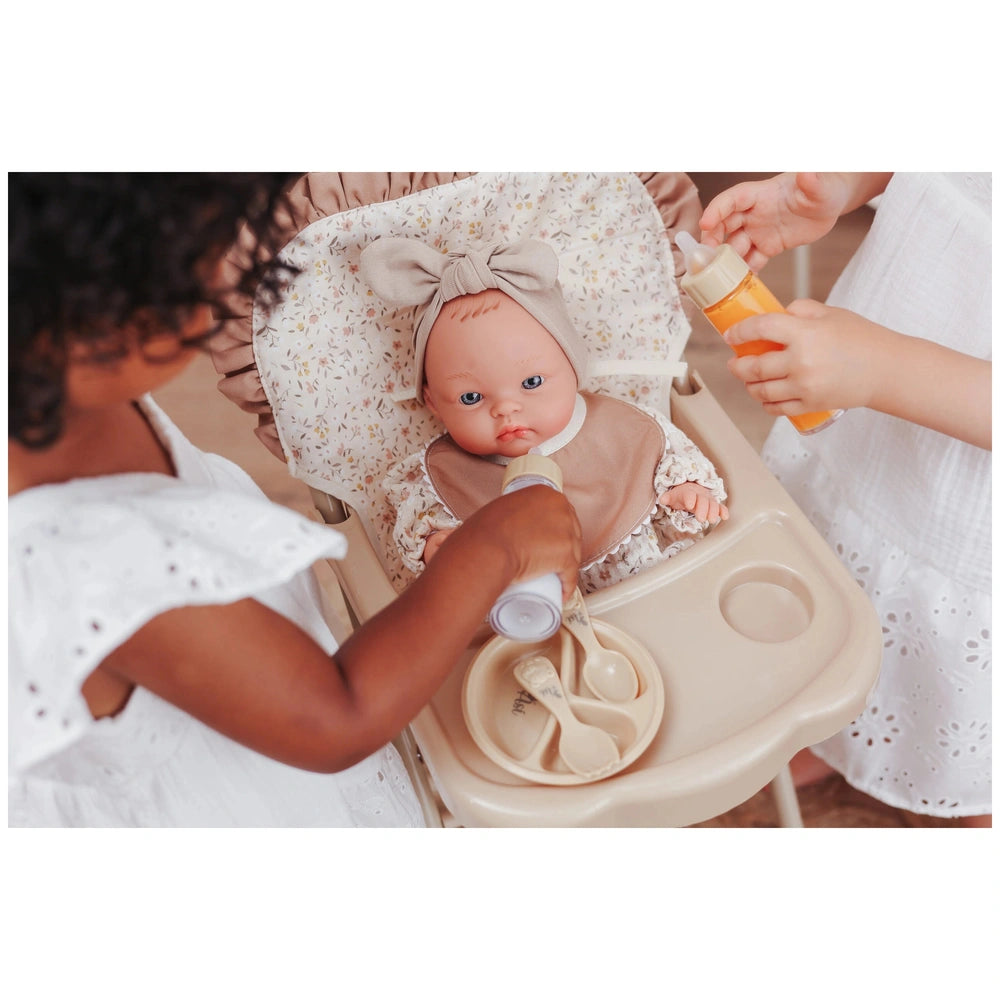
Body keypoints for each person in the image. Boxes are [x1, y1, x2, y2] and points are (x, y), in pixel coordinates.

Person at [8, 174, 582, 827]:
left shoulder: (55, 391)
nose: (205, 314)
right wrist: (496, 544)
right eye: (172, 298)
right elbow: (335, 719)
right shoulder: (78, 556)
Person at [699, 172, 991, 826]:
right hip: (894, 335)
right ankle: (847, 734)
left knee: (956, 662)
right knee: (849, 577)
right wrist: (849, 183)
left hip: (974, 482)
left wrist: (886, 369)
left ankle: (973, 795)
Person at [359, 236, 728, 595]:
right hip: (520, 622)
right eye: (471, 397)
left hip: (640, 593)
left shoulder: (623, 428)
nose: (505, 408)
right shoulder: (443, 474)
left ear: (573, 367)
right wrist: (436, 543)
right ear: (434, 403)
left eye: (532, 382)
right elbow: (417, 524)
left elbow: (672, 459)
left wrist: (686, 491)